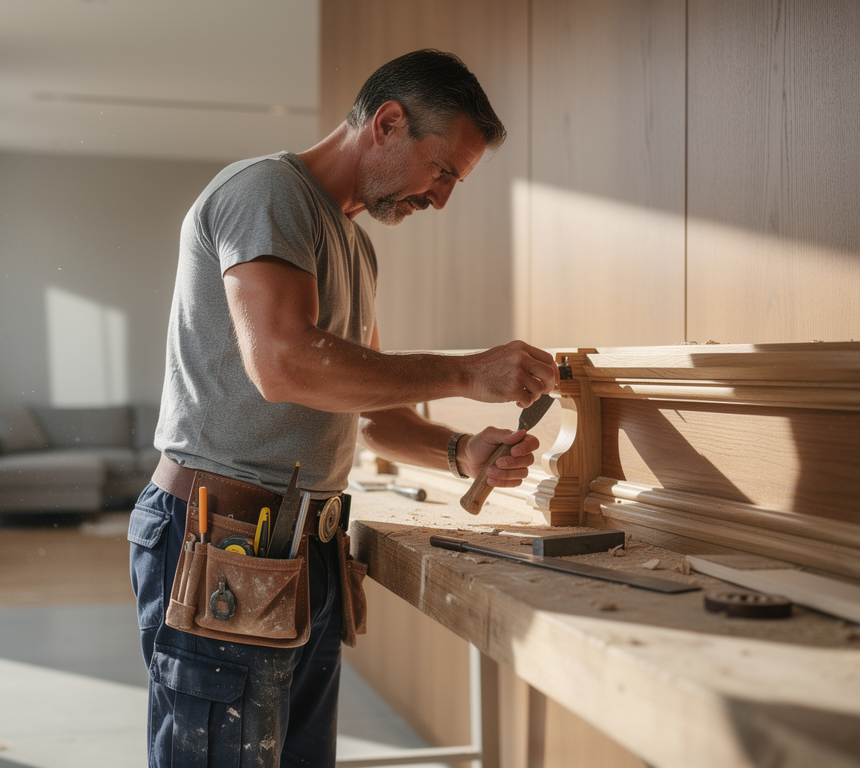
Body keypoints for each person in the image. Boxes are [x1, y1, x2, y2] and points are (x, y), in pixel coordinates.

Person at [129, 49, 560, 767]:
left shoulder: (353, 244)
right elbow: (285, 363)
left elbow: (368, 408)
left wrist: (461, 453)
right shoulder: (268, 194)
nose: (442, 198)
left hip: (303, 545)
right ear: (388, 123)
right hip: (222, 538)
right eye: (444, 170)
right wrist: (465, 371)